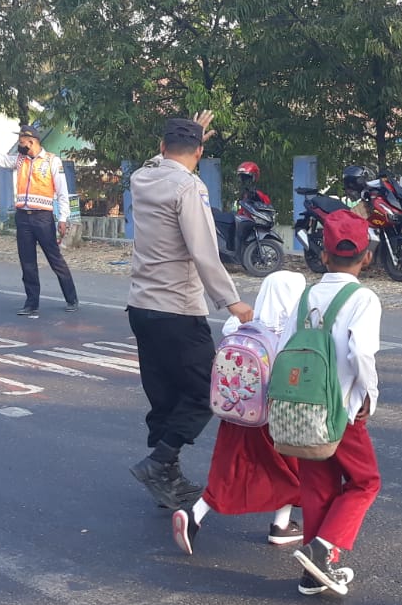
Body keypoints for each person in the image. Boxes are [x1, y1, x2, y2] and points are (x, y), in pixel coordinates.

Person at [127, 114, 254, 510]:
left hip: (141, 306)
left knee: (163, 395)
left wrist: (190, 136)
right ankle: (159, 464)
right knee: (205, 391)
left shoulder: (141, 179)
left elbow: (158, 161)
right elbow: (204, 250)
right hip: (177, 308)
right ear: (199, 153)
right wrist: (231, 301)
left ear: (162, 147)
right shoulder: (189, 187)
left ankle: (166, 478)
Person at [171, 269, 307, 557]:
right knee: (289, 469)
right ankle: (281, 525)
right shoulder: (292, 332)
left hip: (238, 411)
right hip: (273, 417)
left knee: (229, 469)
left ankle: (195, 514)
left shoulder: (241, 323)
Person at [290, 210, 383, 597]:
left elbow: (286, 346)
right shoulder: (363, 298)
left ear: (323, 255)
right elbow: (361, 353)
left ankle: (314, 574)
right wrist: (370, 394)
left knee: (318, 485)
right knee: (365, 481)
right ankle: (324, 547)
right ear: (367, 257)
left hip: (303, 406)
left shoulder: (306, 296)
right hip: (343, 408)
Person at [0, 125, 78, 318]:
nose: (19, 144)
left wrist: (63, 218)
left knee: (55, 259)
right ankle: (31, 303)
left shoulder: (52, 160)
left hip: (43, 218)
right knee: (27, 262)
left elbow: (62, 192)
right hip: (23, 217)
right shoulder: (19, 160)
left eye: (21, 141)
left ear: (31, 141)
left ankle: (71, 298)